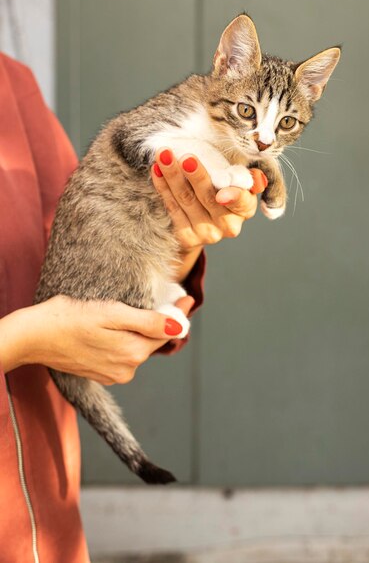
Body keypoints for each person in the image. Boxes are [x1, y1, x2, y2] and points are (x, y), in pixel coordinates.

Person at [0, 52, 267, 562]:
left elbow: (78, 240)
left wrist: (184, 239)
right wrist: (21, 342)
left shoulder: (12, 83)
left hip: (48, 516)